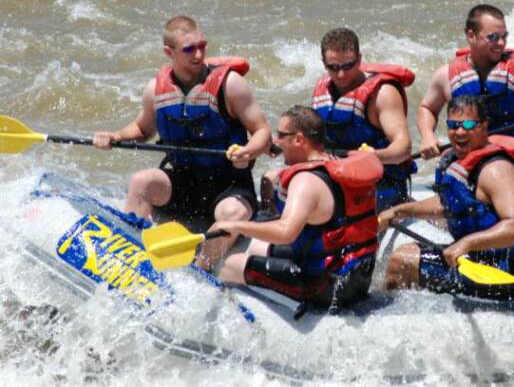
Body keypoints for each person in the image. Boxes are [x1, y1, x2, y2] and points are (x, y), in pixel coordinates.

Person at [93, 16, 271, 269]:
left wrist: (248, 151)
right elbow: (142, 129)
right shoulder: (155, 89)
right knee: (141, 181)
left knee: (231, 215)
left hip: (228, 185)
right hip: (182, 182)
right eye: (189, 49)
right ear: (169, 52)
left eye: (202, 46)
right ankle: (129, 257)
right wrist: (115, 136)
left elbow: (263, 131)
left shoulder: (231, 85)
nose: (199, 55)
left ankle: (200, 270)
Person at [214, 106, 383, 308]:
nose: (276, 141)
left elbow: (286, 232)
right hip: (357, 277)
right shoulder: (336, 165)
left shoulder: (305, 180)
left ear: (299, 140)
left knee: (231, 264)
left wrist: (236, 226)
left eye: (281, 135)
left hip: (324, 286)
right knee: (258, 246)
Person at [378, 95, 514, 299]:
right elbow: (448, 204)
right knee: (408, 249)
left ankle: (390, 319)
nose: (460, 132)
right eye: (454, 125)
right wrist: (398, 211)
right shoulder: (454, 161)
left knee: (401, 261)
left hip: (504, 272)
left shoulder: (497, 171)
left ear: (484, 126)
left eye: (469, 124)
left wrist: (467, 244)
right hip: (474, 258)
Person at [416, 4, 514, 165]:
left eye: (504, 36)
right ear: (471, 35)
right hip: (466, 163)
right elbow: (427, 108)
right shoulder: (445, 75)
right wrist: (427, 136)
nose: (501, 43)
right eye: (493, 37)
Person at [311, 27, 415, 211]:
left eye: (347, 66)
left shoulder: (382, 94)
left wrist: (373, 156)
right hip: (336, 178)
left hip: (381, 183)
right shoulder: (322, 89)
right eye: (333, 68)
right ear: (323, 63)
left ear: (359, 59)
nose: (341, 74)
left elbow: (403, 148)